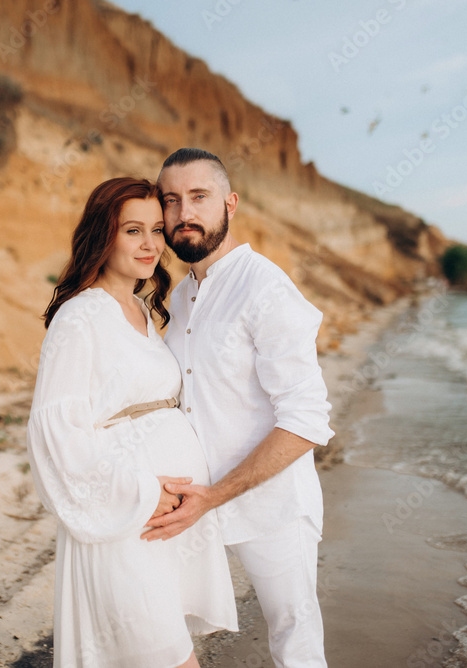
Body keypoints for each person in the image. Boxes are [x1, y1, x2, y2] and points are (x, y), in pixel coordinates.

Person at [26, 176, 238, 668]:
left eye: (156, 231)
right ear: (104, 235)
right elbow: (56, 432)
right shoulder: (80, 318)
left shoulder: (142, 310)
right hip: (123, 517)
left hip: (163, 520)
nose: (150, 245)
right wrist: (140, 491)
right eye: (133, 231)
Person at [146, 148, 334, 668]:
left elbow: (306, 422)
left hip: (270, 505)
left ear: (230, 203)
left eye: (199, 197)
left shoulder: (266, 288)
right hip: (194, 506)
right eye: (172, 200)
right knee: (167, 629)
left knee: (293, 638)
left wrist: (216, 495)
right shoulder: (180, 297)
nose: (185, 213)